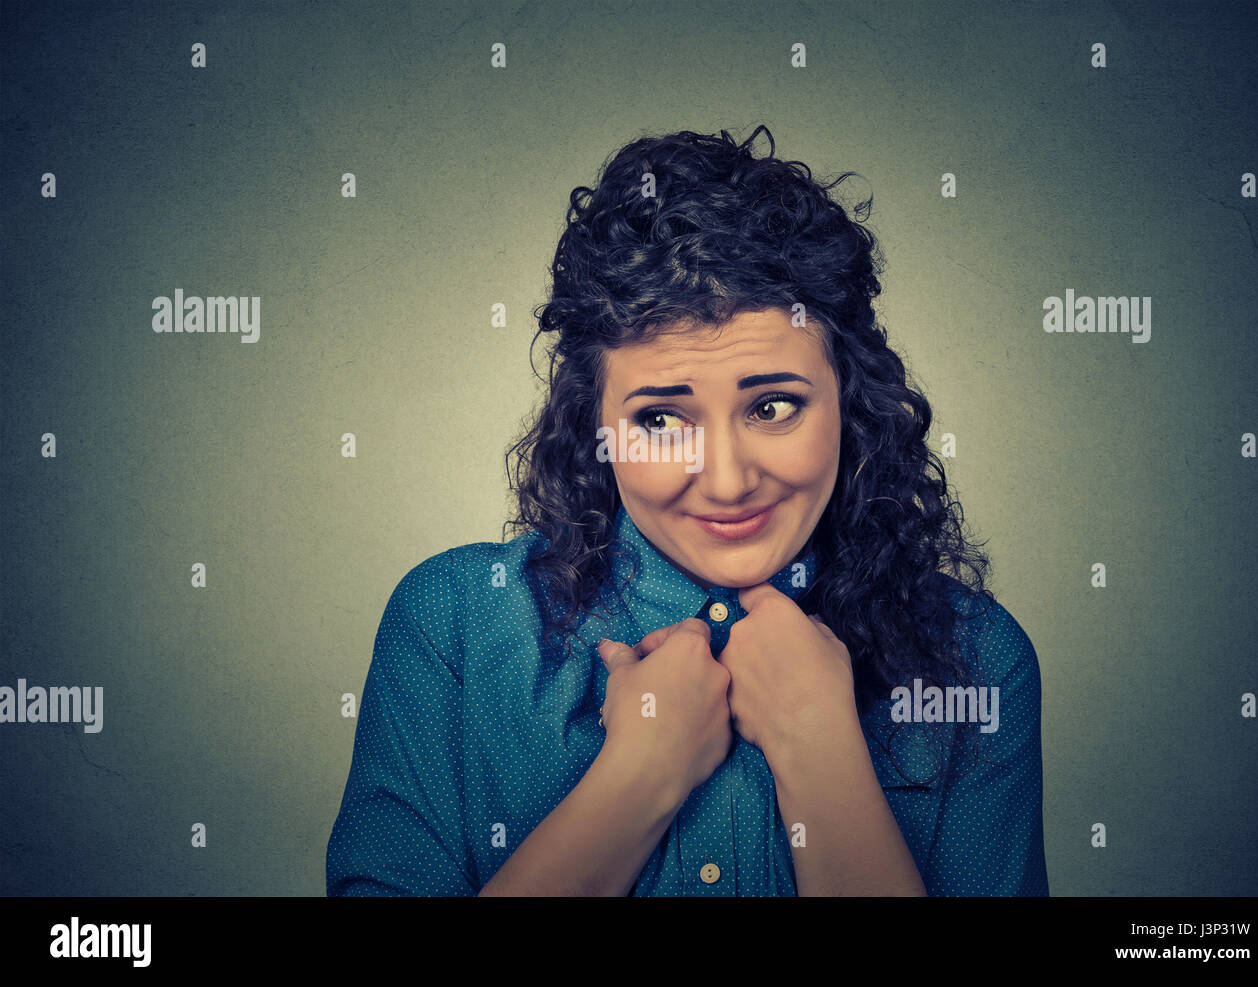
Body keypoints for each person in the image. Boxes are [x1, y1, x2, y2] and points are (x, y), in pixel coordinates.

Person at [325, 125, 1049, 896]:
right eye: (662, 420)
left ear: (850, 401)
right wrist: (640, 777)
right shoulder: (453, 625)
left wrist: (820, 750)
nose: (729, 481)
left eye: (773, 405)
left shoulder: (978, 661)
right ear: (593, 422)